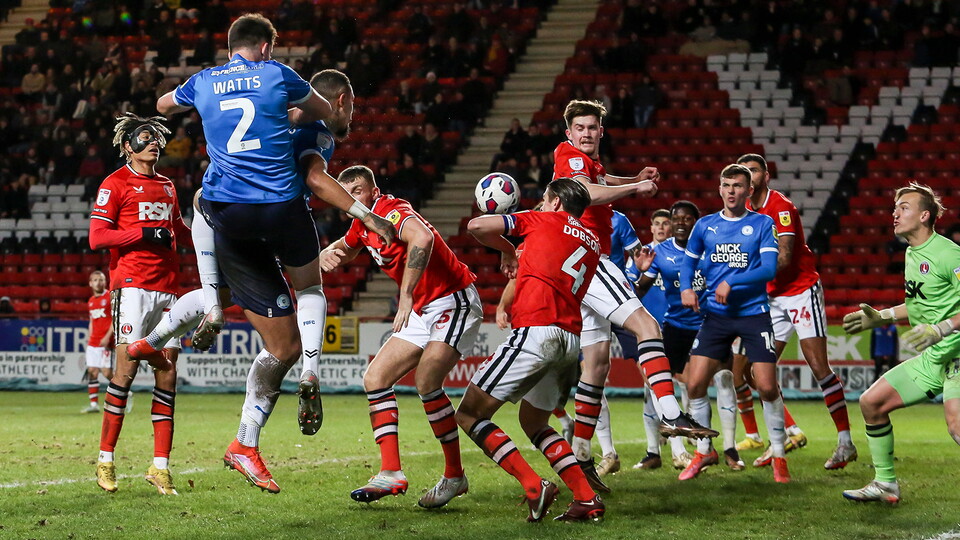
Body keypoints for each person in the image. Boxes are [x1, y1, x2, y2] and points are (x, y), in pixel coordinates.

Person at [155, 15, 392, 493]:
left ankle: (244, 442)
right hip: (278, 208)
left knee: (276, 344)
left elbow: (162, 104)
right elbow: (317, 153)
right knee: (310, 286)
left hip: (226, 214)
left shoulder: (206, 79)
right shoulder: (284, 82)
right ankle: (310, 367)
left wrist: (203, 93)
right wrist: (366, 216)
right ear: (265, 47)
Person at [552, 99, 716, 492]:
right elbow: (586, 193)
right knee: (647, 326)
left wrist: (630, 178)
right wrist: (636, 188)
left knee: (595, 367)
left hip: (574, 265)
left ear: (601, 132)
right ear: (569, 133)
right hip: (589, 259)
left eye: (593, 127)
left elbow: (600, 180)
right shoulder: (569, 157)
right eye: (581, 127)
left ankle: (582, 459)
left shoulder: (586, 162)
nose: (587, 133)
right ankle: (672, 413)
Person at [318, 165, 481, 508]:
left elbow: (422, 237)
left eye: (358, 192)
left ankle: (454, 474)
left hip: (451, 297)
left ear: (373, 192)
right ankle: (391, 471)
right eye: (348, 195)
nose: (353, 200)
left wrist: (405, 294)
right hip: (424, 309)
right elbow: (348, 247)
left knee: (426, 383)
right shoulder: (360, 223)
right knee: (375, 378)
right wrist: (326, 253)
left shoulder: (389, 210)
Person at [457, 178, 605, 522]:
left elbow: (477, 225)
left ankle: (533, 485)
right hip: (569, 340)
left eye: (543, 199)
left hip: (537, 330)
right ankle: (585, 498)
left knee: (469, 414)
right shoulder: (593, 241)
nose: (540, 203)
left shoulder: (544, 219)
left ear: (554, 201)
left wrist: (508, 249)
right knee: (535, 421)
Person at [841, 182, 960, 504]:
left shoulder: (948, 254)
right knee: (871, 403)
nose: (895, 214)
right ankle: (885, 484)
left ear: (924, 215)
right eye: (895, 208)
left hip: (958, 355)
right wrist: (883, 316)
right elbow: (920, 303)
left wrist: (945, 327)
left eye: (903, 208)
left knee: (957, 426)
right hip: (933, 357)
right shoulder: (912, 253)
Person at [736, 153, 856, 470]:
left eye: (754, 170)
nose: (749, 176)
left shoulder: (781, 207)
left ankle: (845, 442)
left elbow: (785, 257)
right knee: (752, 371)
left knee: (818, 365)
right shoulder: (745, 212)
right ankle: (784, 435)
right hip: (772, 297)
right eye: (743, 172)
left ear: (766, 176)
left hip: (800, 291)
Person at [91, 113, 191, 496]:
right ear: (127, 146)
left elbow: (178, 230)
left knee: (167, 375)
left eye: (156, 138)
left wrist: (208, 234)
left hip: (169, 290)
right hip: (132, 288)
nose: (153, 143)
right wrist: (142, 233)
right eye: (144, 138)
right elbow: (97, 237)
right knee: (126, 371)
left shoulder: (167, 185)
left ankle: (160, 467)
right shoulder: (114, 184)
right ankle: (105, 460)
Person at [678, 164, 789, 483]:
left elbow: (769, 269)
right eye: (725, 185)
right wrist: (687, 287)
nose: (730, 191)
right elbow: (689, 261)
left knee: (766, 386)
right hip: (717, 316)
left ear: (749, 190)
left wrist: (733, 282)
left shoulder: (763, 224)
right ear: (719, 188)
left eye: (737, 186)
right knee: (695, 383)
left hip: (753, 314)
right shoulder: (705, 226)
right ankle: (704, 450)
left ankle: (779, 454)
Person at [636, 200, 745, 477]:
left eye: (687, 218)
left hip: (709, 324)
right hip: (676, 326)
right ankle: (675, 449)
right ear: (671, 223)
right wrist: (639, 271)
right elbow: (637, 292)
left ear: (697, 222)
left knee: (722, 378)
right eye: (677, 219)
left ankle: (730, 447)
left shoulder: (712, 247)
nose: (681, 223)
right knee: (654, 383)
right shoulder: (659, 253)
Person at [82, 270, 115, 414]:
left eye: (101, 279)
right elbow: (91, 321)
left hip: (106, 342)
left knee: (107, 372)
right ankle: (94, 404)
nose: (98, 282)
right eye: (95, 280)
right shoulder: (90, 301)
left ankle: (125, 392)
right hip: (93, 342)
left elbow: (115, 319)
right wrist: (90, 337)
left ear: (105, 282)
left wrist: (108, 336)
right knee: (92, 371)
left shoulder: (109, 297)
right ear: (90, 283)